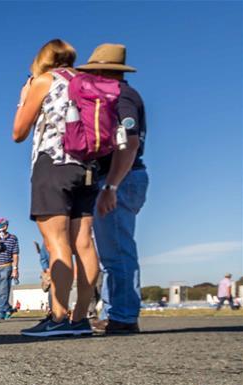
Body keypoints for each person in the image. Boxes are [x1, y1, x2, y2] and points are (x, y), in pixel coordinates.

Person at [13, 39, 99, 337]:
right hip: (87, 166)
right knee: (84, 243)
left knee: (57, 243)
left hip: (54, 163)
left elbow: (18, 132)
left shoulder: (45, 80)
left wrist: (24, 98)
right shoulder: (88, 82)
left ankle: (59, 317)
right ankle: (80, 317)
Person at [74, 44, 149, 334]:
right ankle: (116, 311)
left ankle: (124, 316)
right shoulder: (117, 96)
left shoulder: (122, 97)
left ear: (105, 72)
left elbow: (129, 143)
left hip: (121, 178)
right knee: (112, 251)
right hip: (120, 178)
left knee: (117, 250)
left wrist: (111, 186)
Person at [0, 219, 20, 321]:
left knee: (4, 290)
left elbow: (15, 254)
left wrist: (15, 269)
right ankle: (8, 308)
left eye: (4, 225)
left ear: (7, 226)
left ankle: (1, 312)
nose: (3, 227)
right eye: (0, 225)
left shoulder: (13, 238)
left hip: (6, 266)